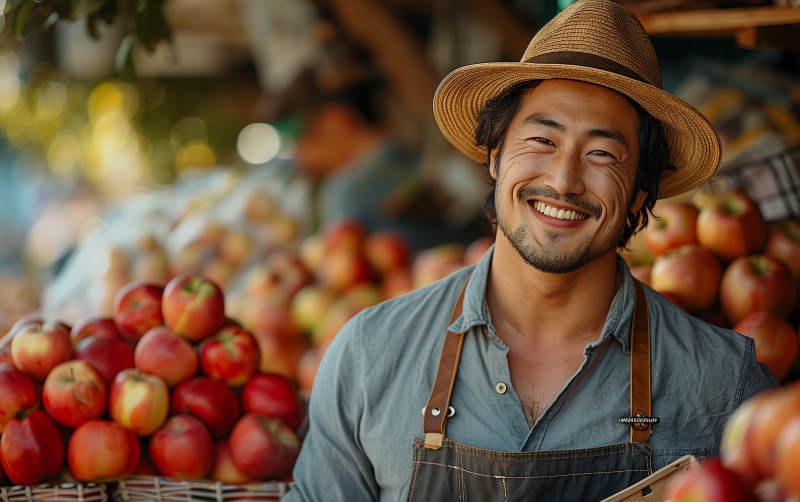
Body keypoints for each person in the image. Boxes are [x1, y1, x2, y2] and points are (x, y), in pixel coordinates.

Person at [282, 1, 778, 500]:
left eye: (602, 153)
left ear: (640, 194)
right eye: (542, 140)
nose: (563, 181)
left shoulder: (724, 385)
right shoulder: (373, 355)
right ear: (495, 157)